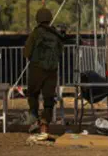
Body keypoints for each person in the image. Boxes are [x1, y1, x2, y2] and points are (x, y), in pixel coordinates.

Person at [24, 7, 65, 135]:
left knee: (33, 94)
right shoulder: (55, 34)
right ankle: (45, 123)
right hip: (52, 70)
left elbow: (26, 52)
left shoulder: (35, 33)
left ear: (38, 19)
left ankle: (34, 118)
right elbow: (60, 52)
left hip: (36, 68)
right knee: (49, 98)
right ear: (49, 18)